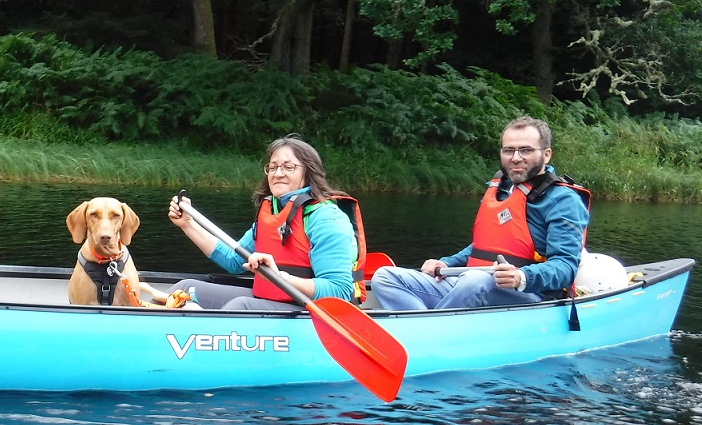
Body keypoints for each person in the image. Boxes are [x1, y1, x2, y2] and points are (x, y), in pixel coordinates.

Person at [371, 115, 590, 310]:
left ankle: (431, 329)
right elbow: (485, 248)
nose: (515, 157)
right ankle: (428, 325)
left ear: (547, 154)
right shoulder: (501, 191)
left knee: (474, 281)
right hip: (473, 283)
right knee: (385, 277)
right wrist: (447, 263)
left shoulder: (563, 201)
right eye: (508, 150)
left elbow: (565, 267)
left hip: (530, 294)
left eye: (526, 150)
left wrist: (522, 276)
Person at [165, 135, 366, 311]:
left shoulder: (326, 218)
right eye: (273, 167)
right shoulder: (273, 211)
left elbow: (339, 291)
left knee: (240, 307)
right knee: (185, 288)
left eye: (289, 167)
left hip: (311, 311)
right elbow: (233, 261)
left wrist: (281, 278)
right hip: (273, 301)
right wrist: (188, 224)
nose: (278, 173)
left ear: (308, 173)